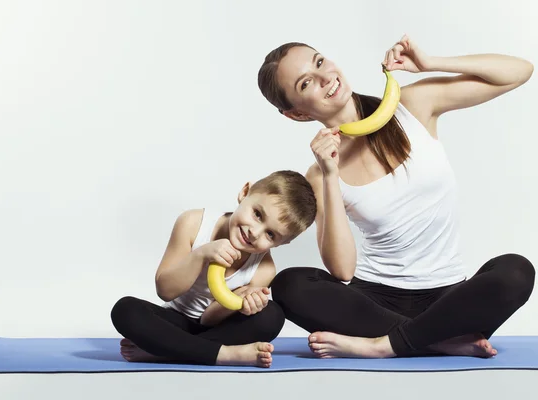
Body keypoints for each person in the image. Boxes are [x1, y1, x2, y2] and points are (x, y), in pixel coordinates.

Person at [256, 34, 535, 359]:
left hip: (450, 300)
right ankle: (435, 340)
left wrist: (432, 63)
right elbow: (343, 272)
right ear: (298, 114)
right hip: (375, 304)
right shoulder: (319, 172)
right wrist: (330, 175)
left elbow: (520, 71)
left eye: (320, 62)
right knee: (290, 284)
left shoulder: (412, 106)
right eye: (306, 84)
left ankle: (385, 345)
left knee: (516, 272)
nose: (324, 77)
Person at [110, 170, 317, 368]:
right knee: (126, 310)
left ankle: (164, 350)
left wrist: (241, 300)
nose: (255, 233)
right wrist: (201, 255)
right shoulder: (193, 222)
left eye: (270, 235)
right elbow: (164, 291)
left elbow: (208, 318)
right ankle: (224, 354)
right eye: (257, 214)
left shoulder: (264, 269)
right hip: (174, 322)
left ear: (281, 244)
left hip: (218, 330)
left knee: (271, 316)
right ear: (245, 192)